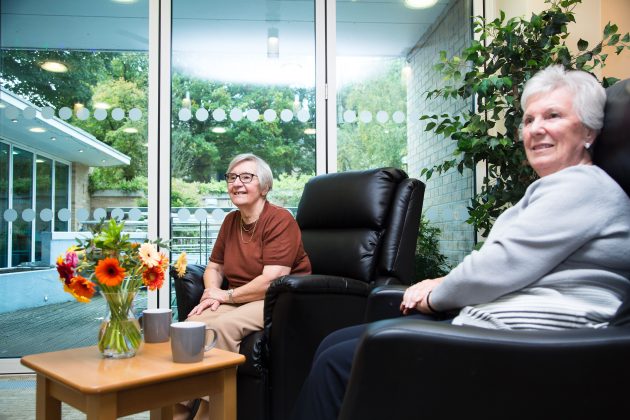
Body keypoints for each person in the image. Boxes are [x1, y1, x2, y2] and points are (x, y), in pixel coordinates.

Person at [290, 65, 630, 420]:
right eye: (528, 120)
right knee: (336, 344)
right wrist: (439, 285)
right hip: (504, 330)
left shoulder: (580, 187)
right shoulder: (564, 186)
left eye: (553, 116)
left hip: (536, 345)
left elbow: (496, 267)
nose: (535, 129)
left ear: (589, 130)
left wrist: (435, 299)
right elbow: (512, 264)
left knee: (338, 360)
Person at [177, 153, 311, 419]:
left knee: (220, 328)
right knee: (189, 327)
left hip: (279, 300)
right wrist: (209, 294)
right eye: (232, 177)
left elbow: (272, 279)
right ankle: (178, 410)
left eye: (246, 177)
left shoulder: (280, 220)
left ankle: (208, 416)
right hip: (241, 297)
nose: (236, 183)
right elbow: (214, 267)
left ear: (264, 187)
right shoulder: (231, 221)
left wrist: (225, 295)